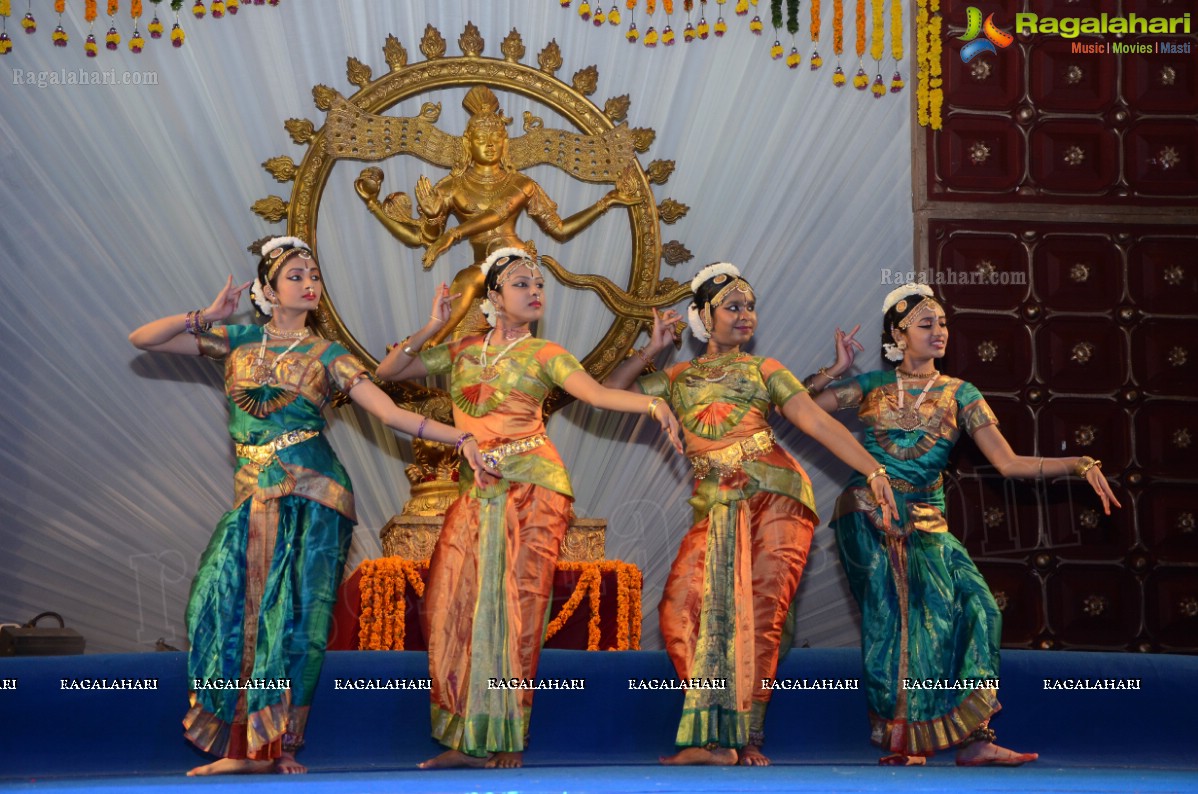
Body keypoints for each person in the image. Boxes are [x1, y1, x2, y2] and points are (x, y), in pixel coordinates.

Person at [129, 236, 495, 776]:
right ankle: (245, 742)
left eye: (314, 276)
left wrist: (460, 437)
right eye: (297, 275)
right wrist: (202, 316)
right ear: (268, 291)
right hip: (252, 493)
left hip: (315, 493)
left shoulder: (329, 355)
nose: (310, 283)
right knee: (219, 604)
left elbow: (390, 414)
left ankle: (274, 749)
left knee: (293, 617)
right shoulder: (235, 340)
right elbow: (143, 339)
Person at [376, 246, 684, 770]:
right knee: (455, 602)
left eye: (538, 284)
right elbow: (390, 369)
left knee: (518, 606)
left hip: (536, 484)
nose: (535, 290)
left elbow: (598, 396)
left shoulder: (548, 355)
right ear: (493, 296)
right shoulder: (461, 349)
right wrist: (433, 325)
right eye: (521, 283)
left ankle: (506, 734)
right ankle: (466, 738)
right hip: (479, 486)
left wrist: (654, 402)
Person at [804, 283, 1120, 767]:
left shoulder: (961, 394)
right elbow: (798, 407)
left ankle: (974, 738)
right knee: (902, 621)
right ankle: (904, 740)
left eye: (944, 323)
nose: (939, 332)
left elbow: (1009, 464)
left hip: (929, 518)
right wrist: (837, 369)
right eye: (926, 324)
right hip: (871, 511)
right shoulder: (867, 388)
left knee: (980, 609)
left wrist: (1076, 463)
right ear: (898, 333)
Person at [603, 263, 899, 766]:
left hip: (776, 496)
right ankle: (715, 731)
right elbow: (609, 393)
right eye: (733, 307)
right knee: (680, 610)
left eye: (749, 306)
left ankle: (743, 738)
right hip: (716, 504)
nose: (746, 316)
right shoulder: (675, 379)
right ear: (702, 317)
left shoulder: (765, 371)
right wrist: (650, 351)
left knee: (760, 613)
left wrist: (874, 471)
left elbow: (815, 422)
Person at [354, 84, 638, 345]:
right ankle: (439, 344)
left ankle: (430, 340)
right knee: (466, 349)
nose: (490, 144)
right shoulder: (451, 187)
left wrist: (607, 201)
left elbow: (558, 228)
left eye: (496, 137)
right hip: (481, 277)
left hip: (514, 266)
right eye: (481, 138)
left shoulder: (520, 184)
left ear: (505, 143)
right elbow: (424, 238)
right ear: (468, 144)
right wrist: (382, 207)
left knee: (470, 286)